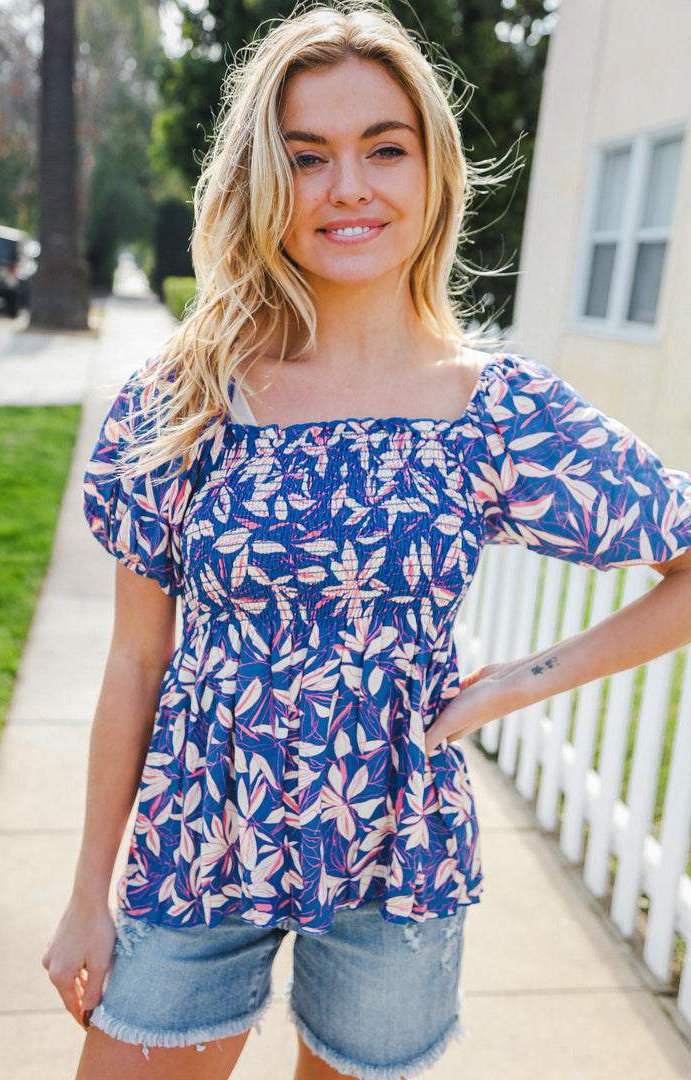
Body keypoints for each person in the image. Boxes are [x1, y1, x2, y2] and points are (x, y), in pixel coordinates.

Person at [43, 3, 691, 1078]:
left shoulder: (495, 410)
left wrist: (512, 684)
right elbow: (136, 658)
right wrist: (84, 897)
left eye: (383, 149)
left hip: (398, 858)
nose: (349, 186)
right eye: (308, 157)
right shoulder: (186, 397)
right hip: (199, 842)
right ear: (264, 180)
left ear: (431, 169)